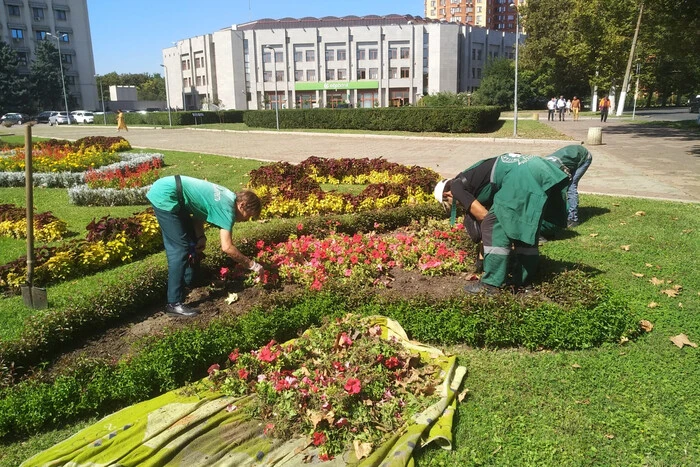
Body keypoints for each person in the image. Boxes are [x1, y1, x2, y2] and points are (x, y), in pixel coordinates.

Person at [434, 153, 569, 295]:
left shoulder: (456, 187)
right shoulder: (473, 178)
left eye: (451, 204)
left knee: (493, 225)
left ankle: (491, 284)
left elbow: (483, 216)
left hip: (521, 176)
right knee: (523, 228)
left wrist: (487, 253)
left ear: (447, 195)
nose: (458, 205)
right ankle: (523, 284)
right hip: (542, 168)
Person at [146, 175, 264, 317]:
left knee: (191, 241)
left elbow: (199, 212)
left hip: (173, 191)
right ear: (242, 205)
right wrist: (252, 265)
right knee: (179, 249)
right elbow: (227, 247)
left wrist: (200, 236)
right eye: (248, 215)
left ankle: (192, 281)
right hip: (166, 195)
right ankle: (174, 303)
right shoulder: (228, 210)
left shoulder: (228, 196)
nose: (245, 219)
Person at [544, 144, 593, 227]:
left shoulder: (559, 168)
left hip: (584, 157)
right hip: (571, 156)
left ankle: (573, 219)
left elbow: (566, 179)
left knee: (571, 186)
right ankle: (561, 212)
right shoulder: (544, 164)